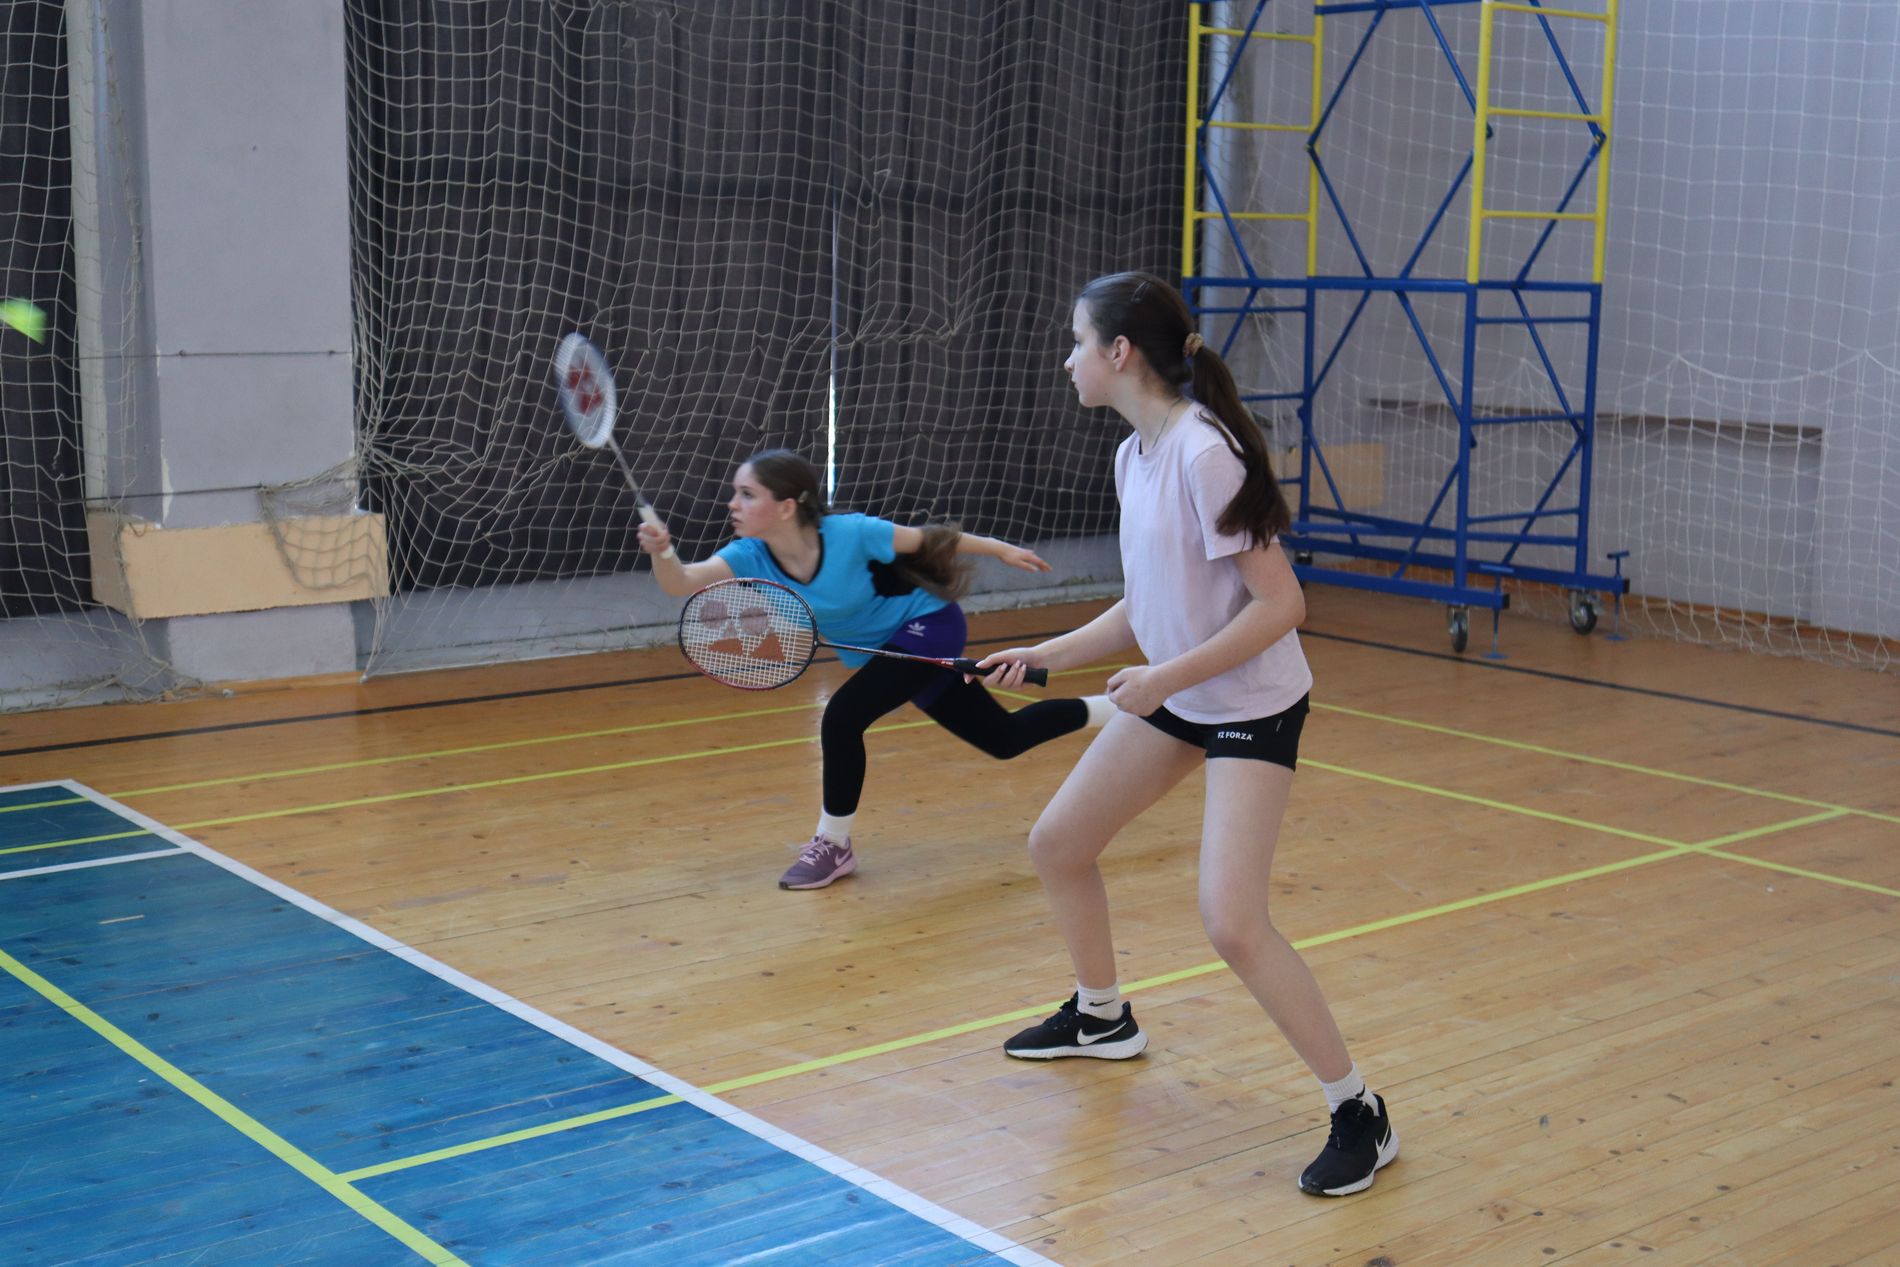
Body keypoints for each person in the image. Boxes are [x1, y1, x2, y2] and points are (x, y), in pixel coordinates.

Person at [974, 272, 1398, 1198]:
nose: (1068, 360)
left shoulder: (1206, 455)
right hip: (1182, 691)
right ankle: (1101, 1016)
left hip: (1250, 702)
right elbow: (1146, 603)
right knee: (1058, 842)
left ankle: (1359, 1109)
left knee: (1232, 921)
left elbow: (1282, 605)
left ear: (1121, 352)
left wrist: (1163, 679)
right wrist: (1044, 653)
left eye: (1078, 341)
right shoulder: (1135, 455)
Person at [637, 449, 1114, 890]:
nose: (732, 504)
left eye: (746, 494)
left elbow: (930, 539)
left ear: (785, 507)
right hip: (887, 652)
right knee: (1003, 739)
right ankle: (1118, 708)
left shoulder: (849, 533)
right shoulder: (748, 556)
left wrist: (998, 548)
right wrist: (662, 552)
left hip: (928, 626)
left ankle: (834, 845)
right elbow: (682, 582)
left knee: (842, 717)